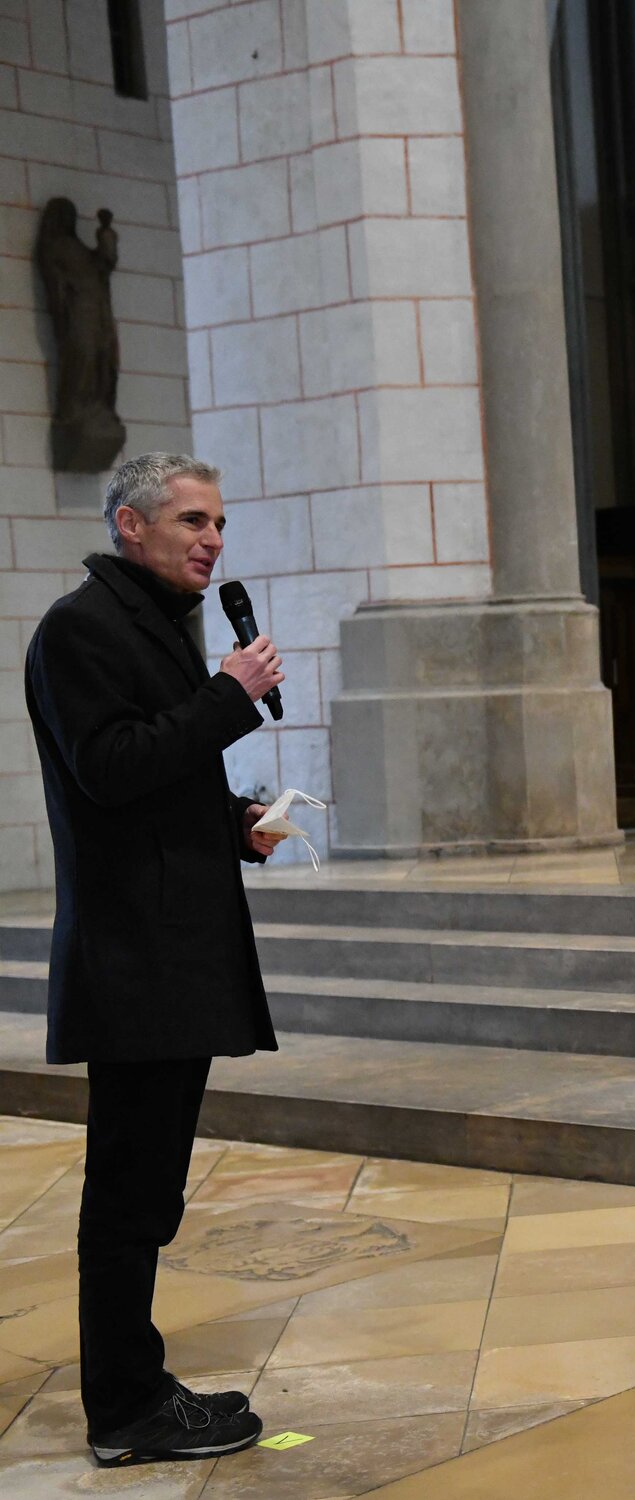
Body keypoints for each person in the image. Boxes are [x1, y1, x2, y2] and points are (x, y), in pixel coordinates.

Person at [25, 453, 284, 1465]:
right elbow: (109, 768)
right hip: (134, 955)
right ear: (130, 525)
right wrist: (228, 696)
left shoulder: (150, 626)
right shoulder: (80, 629)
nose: (210, 538)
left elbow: (157, 781)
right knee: (129, 1190)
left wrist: (234, 825)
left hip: (173, 948)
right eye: (188, 520)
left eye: (216, 521)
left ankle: (136, 1384)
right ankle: (125, 1411)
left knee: (152, 1188)